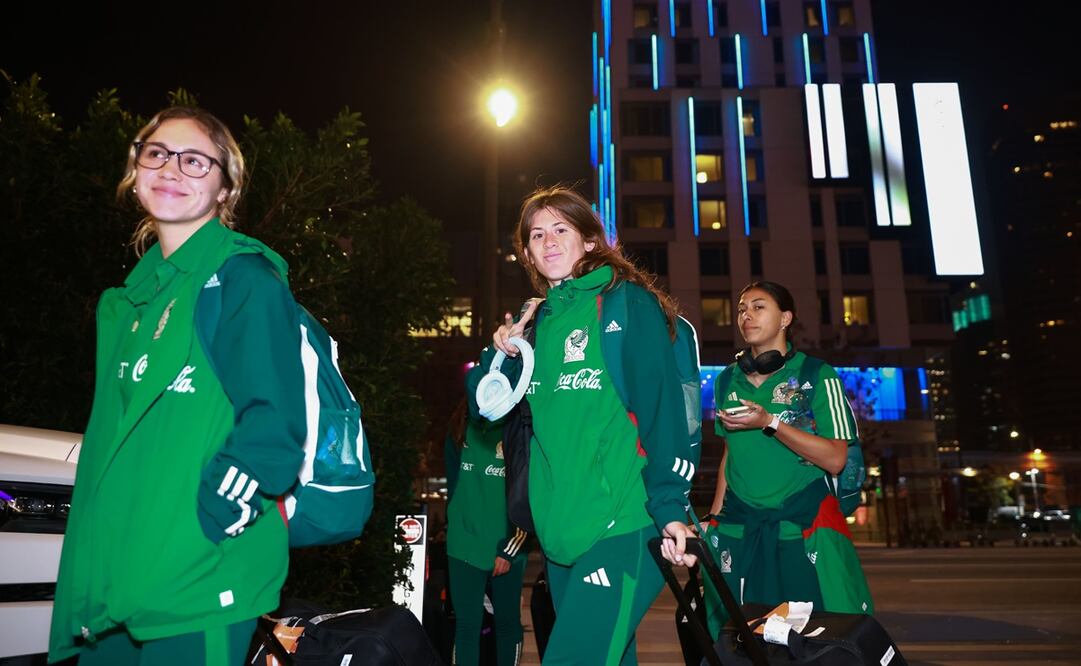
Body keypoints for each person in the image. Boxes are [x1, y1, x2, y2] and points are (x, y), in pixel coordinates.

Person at [48, 107, 306, 665]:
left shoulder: (241, 280)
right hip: (116, 583)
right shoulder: (131, 301)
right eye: (157, 153)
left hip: (196, 581)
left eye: (195, 161)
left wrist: (207, 523)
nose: (172, 169)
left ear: (225, 187)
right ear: (135, 167)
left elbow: (274, 431)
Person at [467, 185, 697, 665]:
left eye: (561, 229)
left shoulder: (624, 303)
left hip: (627, 519)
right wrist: (500, 353)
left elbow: (663, 410)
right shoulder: (536, 323)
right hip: (559, 533)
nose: (548, 241)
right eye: (536, 234)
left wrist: (671, 505)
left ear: (590, 240)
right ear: (527, 252)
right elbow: (481, 409)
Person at [702, 281, 873, 637]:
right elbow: (729, 454)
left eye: (759, 306)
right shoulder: (726, 381)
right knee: (740, 632)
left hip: (800, 523)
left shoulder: (816, 376)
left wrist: (770, 422)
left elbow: (836, 459)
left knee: (811, 633)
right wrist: (714, 519)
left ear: (785, 319)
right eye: (741, 308)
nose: (746, 314)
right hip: (740, 523)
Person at [444, 397, 529, 665]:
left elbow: (527, 496)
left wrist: (511, 547)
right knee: (467, 626)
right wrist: (456, 528)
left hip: (506, 546)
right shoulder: (459, 426)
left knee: (507, 624)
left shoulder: (519, 427)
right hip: (463, 543)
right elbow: (454, 486)